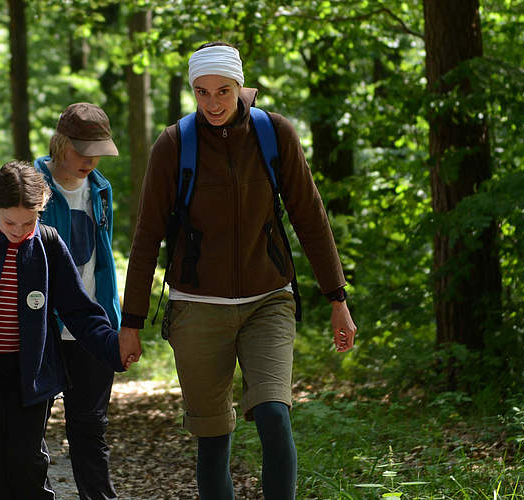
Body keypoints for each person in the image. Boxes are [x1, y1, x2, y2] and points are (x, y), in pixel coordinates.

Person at [121, 42, 357, 500]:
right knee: (213, 440)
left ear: (240, 86)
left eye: (222, 91)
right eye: (202, 92)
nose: (212, 103)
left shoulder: (275, 134)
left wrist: (338, 299)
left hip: (268, 299)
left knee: (273, 412)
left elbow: (310, 216)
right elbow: (147, 236)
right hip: (196, 307)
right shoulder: (174, 144)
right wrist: (131, 323)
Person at [0, 160, 141, 499]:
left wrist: (111, 345)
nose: (18, 229)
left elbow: (78, 309)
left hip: (30, 376)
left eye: (28, 221)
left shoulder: (48, 244)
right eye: (10, 220)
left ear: (42, 209)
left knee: (28, 464)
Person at [33, 102, 122, 500]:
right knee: (31, 425)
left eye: (97, 151)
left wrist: (114, 323)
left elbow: (103, 257)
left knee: (90, 427)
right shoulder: (31, 185)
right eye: (82, 150)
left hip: (93, 325)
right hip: (41, 324)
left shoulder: (101, 189)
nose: (91, 160)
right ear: (60, 143)